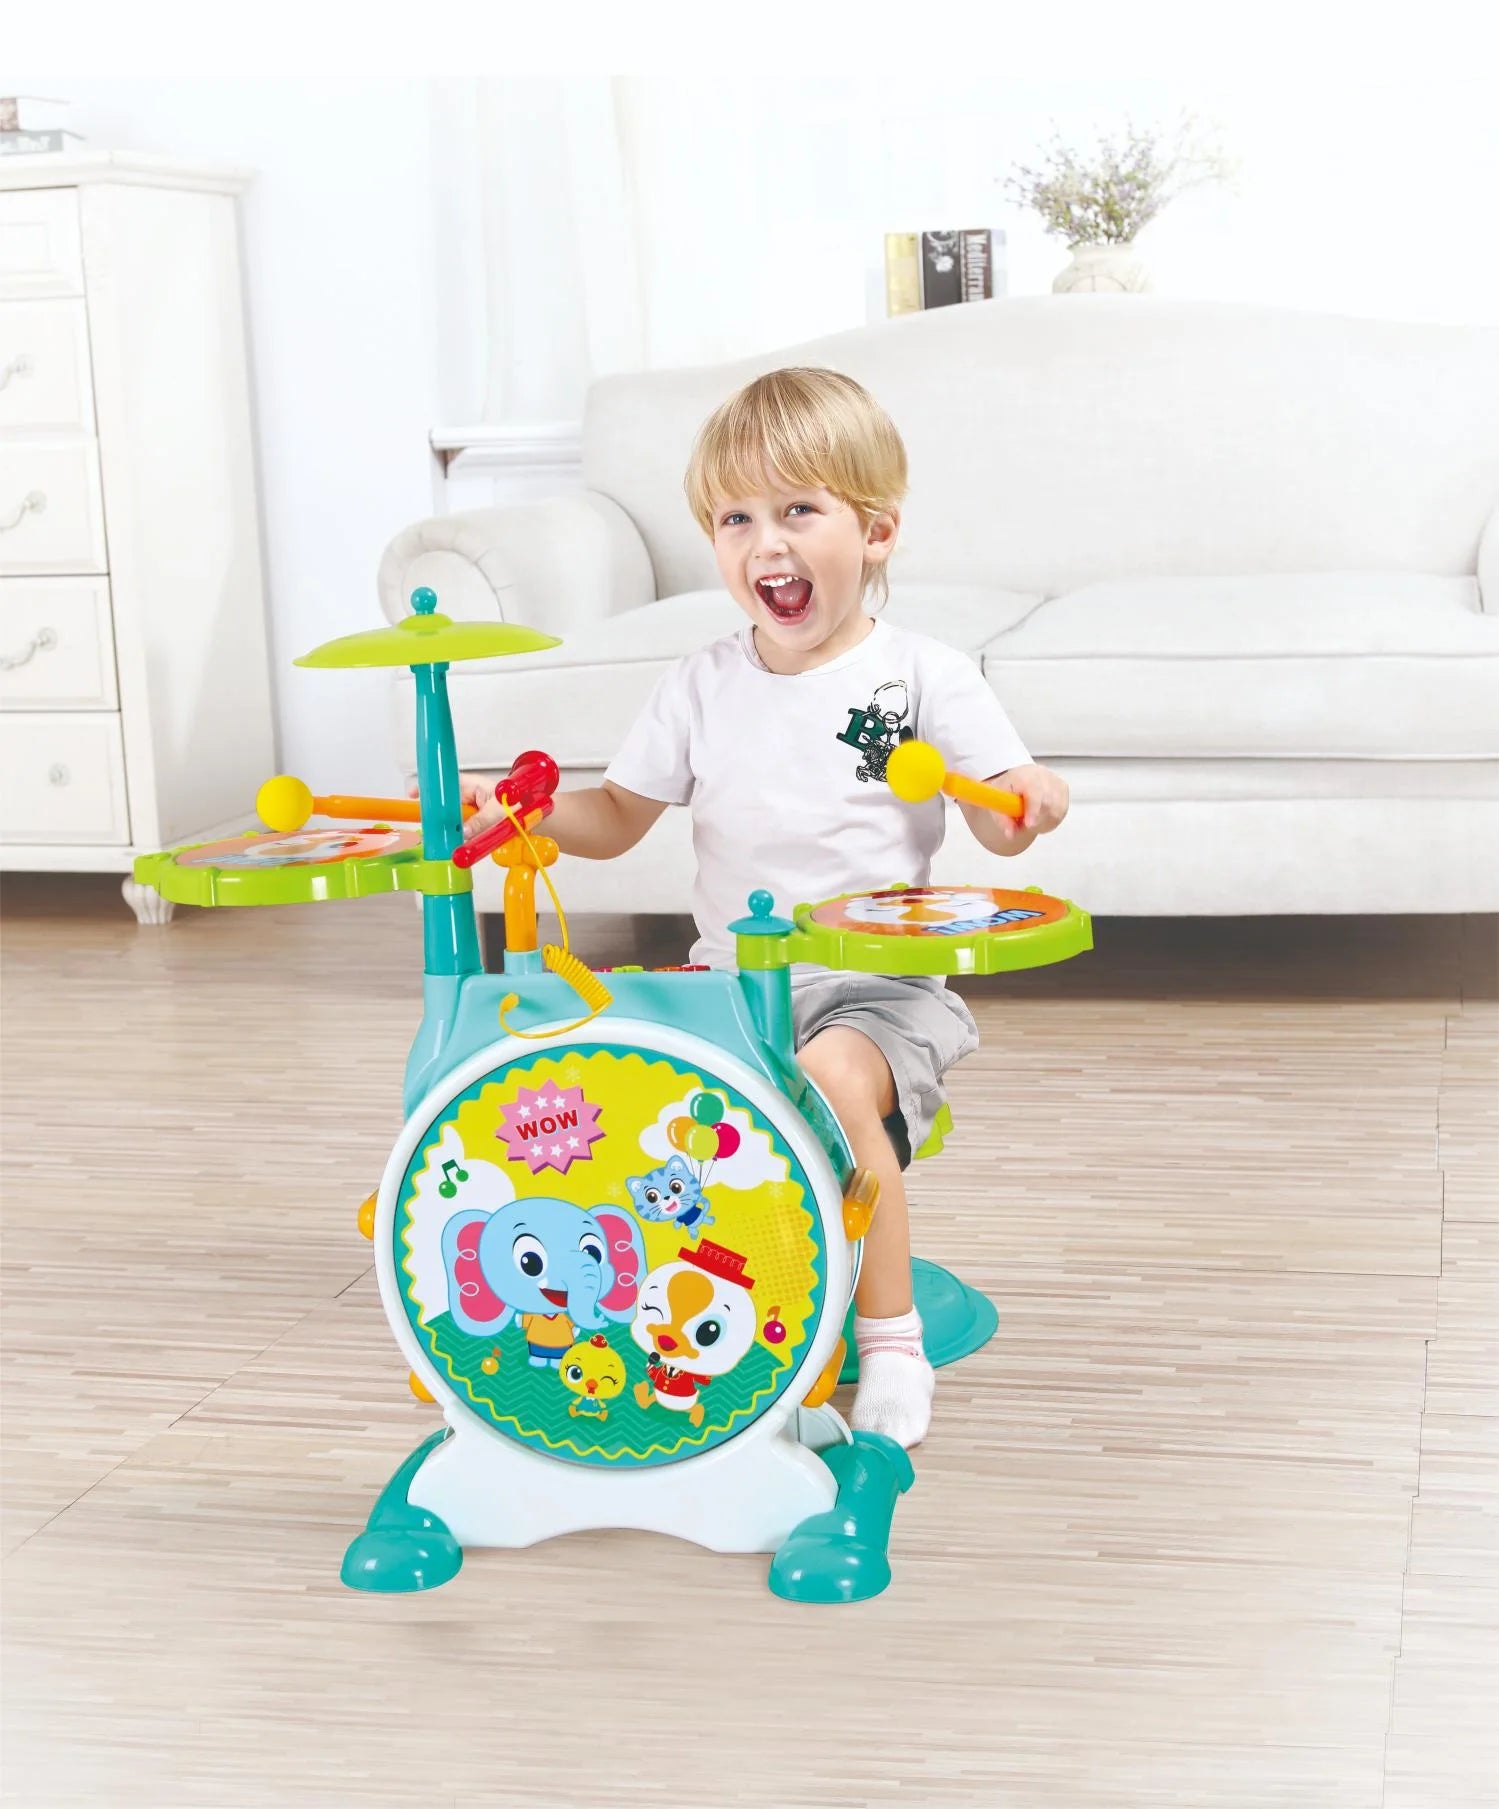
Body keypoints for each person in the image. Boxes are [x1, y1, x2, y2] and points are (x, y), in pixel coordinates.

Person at [459, 367, 1069, 1446]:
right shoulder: (700, 682)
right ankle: (692, 1309)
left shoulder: (922, 675)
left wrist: (1023, 803)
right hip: (732, 987)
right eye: (735, 519)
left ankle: (889, 1343)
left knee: (827, 1079)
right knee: (635, 1102)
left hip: (877, 989)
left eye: (797, 510)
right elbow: (617, 817)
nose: (764, 543)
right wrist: (529, 814)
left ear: (874, 531)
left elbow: (995, 826)